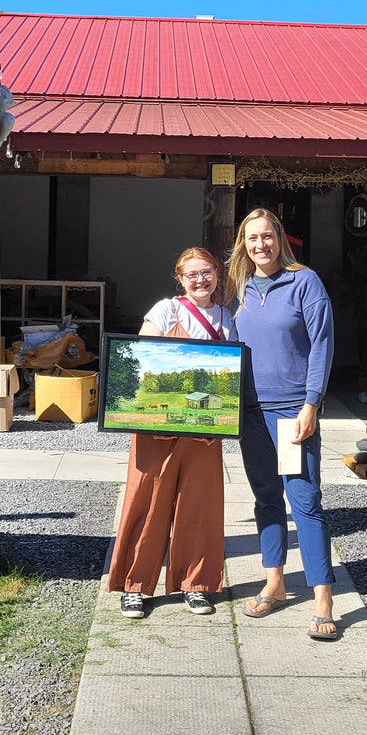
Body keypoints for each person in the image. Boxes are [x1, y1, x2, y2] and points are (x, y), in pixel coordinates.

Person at [105, 246, 235, 619]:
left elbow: (231, 375)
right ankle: (134, 585)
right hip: (157, 425)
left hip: (204, 425)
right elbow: (144, 358)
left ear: (216, 274)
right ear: (179, 278)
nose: (200, 279)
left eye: (206, 271)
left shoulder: (227, 318)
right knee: (147, 502)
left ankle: (196, 584)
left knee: (200, 507)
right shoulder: (166, 310)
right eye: (192, 274)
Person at [229, 208, 338, 640]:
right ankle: (274, 581)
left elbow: (321, 346)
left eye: (267, 236)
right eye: (252, 238)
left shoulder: (304, 282)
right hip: (251, 415)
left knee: (305, 501)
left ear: (280, 239)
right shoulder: (237, 289)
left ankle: (323, 597)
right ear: (244, 243)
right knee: (266, 499)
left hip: (292, 412)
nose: (260, 245)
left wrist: (312, 404)